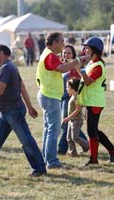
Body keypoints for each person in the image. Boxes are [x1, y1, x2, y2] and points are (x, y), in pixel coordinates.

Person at [0, 44, 46, 177]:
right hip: (5, 113)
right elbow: (22, 86)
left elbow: (0, 90)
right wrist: (29, 106)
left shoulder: (7, 68)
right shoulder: (10, 67)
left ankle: (39, 168)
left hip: (13, 112)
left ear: (2, 54)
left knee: (26, 141)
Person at [36, 32, 88, 169]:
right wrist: (78, 61)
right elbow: (62, 69)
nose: (63, 44)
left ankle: (47, 158)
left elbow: (61, 66)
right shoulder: (50, 55)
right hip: (50, 96)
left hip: (47, 94)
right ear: (54, 43)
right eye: (61, 41)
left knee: (48, 129)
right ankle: (52, 161)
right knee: (53, 130)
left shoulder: (47, 53)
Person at [76, 36, 114, 166]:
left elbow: (87, 82)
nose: (84, 50)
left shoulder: (98, 66)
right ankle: (112, 151)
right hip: (90, 101)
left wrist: (79, 69)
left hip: (95, 102)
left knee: (92, 131)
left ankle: (93, 159)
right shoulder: (91, 63)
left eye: (86, 48)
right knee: (94, 130)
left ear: (95, 50)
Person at [58, 44, 88, 155]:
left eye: (69, 52)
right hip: (62, 97)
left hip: (71, 98)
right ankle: (85, 143)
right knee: (70, 123)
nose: (66, 54)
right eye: (64, 52)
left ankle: (61, 149)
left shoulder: (75, 65)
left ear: (73, 54)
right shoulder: (61, 65)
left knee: (66, 122)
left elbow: (82, 81)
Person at [62, 79, 89, 156]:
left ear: (73, 88)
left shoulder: (76, 97)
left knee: (75, 137)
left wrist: (68, 118)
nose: (66, 89)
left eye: (68, 87)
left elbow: (78, 110)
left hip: (77, 120)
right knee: (69, 138)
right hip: (71, 120)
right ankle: (72, 152)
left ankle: (87, 145)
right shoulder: (72, 96)